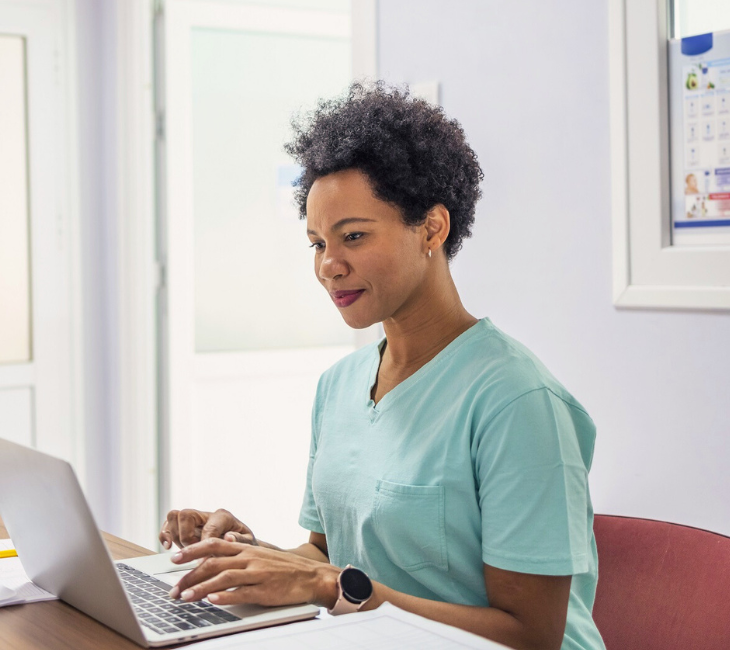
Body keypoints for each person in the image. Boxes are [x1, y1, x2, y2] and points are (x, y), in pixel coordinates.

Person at [159, 82, 604, 650]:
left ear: (433, 229)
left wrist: (323, 583)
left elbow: (530, 637)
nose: (328, 266)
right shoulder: (339, 387)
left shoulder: (517, 402)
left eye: (353, 237)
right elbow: (329, 558)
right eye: (317, 243)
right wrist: (243, 556)